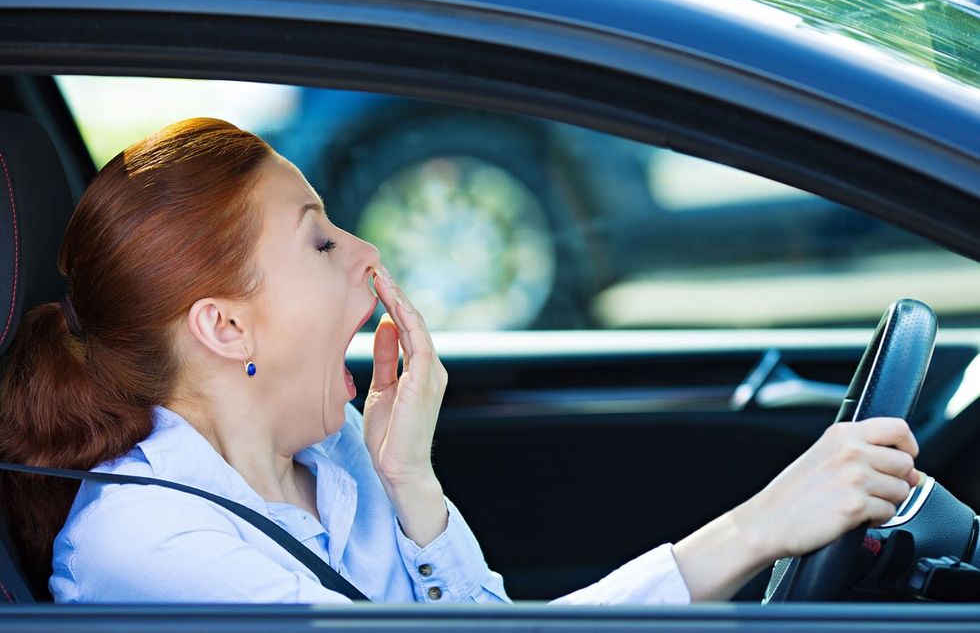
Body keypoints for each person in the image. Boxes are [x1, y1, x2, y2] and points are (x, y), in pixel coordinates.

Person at [0, 118, 922, 604]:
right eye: (320, 242)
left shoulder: (330, 460)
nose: (371, 255)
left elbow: (481, 616)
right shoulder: (156, 549)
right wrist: (758, 527)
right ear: (225, 328)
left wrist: (411, 481)